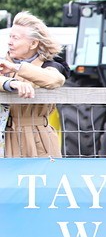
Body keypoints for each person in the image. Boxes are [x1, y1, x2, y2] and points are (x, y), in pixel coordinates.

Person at [1, 11, 68, 158]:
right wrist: (10, 83)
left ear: (33, 43)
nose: (9, 42)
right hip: (4, 137)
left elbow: (54, 79)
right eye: (10, 37)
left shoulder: (50, 64)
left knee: (43, 179)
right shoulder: (3, 63)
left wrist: (17, 68)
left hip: (39, 139)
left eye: (15, 38)